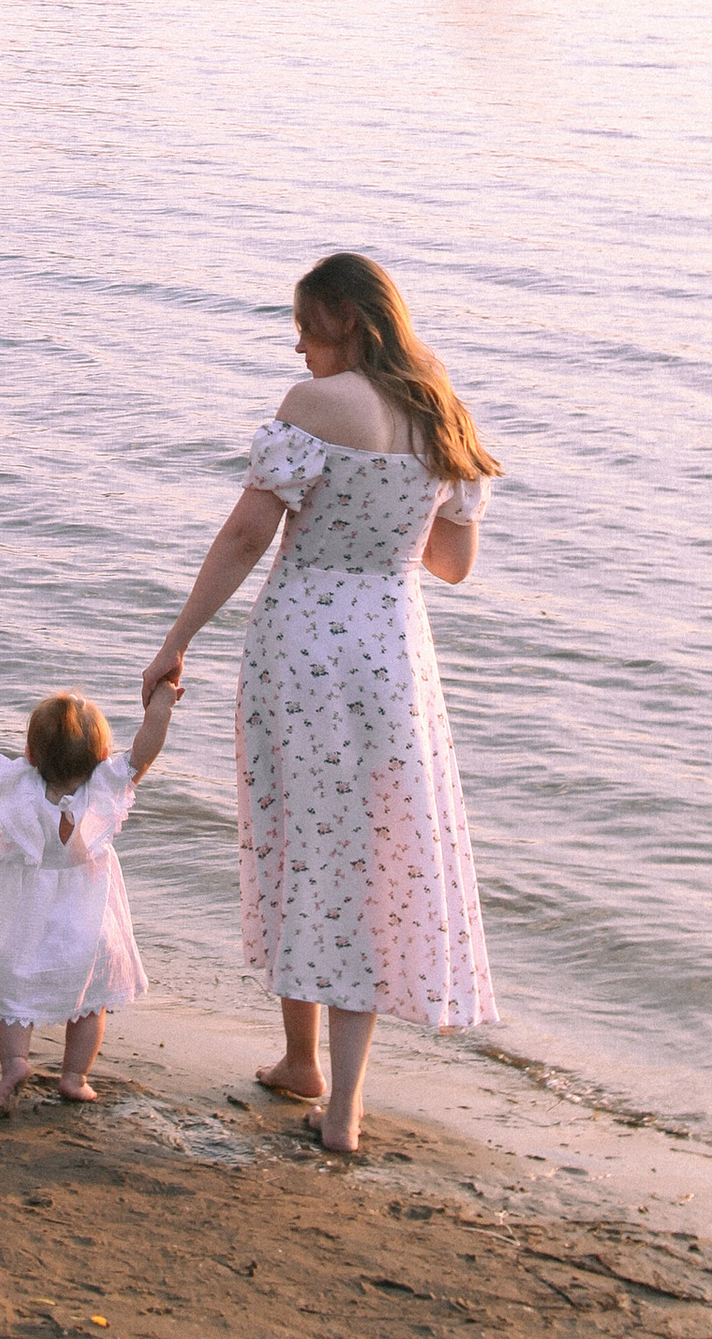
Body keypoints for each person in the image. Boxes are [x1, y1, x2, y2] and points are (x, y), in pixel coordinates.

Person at [143, 251, 501, 1160]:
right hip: (393, 652)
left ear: (344, 316)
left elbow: (247, 534)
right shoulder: (441, 415)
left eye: (305, 326)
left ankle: (325, 1093)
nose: (298, 346)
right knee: (369, 857)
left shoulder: (313, 409)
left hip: (304, 644)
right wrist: (387, 520)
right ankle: (317, 1077)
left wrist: (177, 638)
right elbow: (451, 565)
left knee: (303, 836)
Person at [0, 676, 178, 1114]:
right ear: (103, 755)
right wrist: (162, 703)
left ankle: (15, 1063)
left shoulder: (18, 788)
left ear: (31, 755)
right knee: (89, 1002)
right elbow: (146, 750)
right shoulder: (105, 790)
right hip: (86, 923)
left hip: (21, 918)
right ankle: (74, 1077)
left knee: (13, 1002)